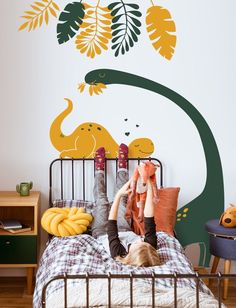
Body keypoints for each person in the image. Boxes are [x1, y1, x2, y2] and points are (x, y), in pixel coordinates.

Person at [91, 144, 161, 267]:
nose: (140, 240)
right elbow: (149, 216)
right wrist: (147, 181)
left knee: (102, 201)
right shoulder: (149, 248)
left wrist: (117, 196)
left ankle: (99, 170)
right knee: (124, 199)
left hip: (103, 231)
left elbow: (111, 225)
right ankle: (122, 167)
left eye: (138, 244)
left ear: (130, 253)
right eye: (143, 242)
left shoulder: (118, 253)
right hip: (124, 228)